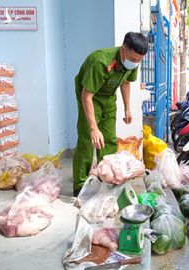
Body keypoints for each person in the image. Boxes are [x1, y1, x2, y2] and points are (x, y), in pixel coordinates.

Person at [73, 32, 148, 196]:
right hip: (89, 95)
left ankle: (105, 177)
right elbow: (87, 95)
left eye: (139, 60)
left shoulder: (132, 63)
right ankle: (79, 184)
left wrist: (127, 108)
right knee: (88, 139)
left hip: (109, 97)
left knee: (109, 139)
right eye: (134, 59)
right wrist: (93, 127)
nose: (136, 63)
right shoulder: (100, 61)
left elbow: (126, 82)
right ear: (123, 49)